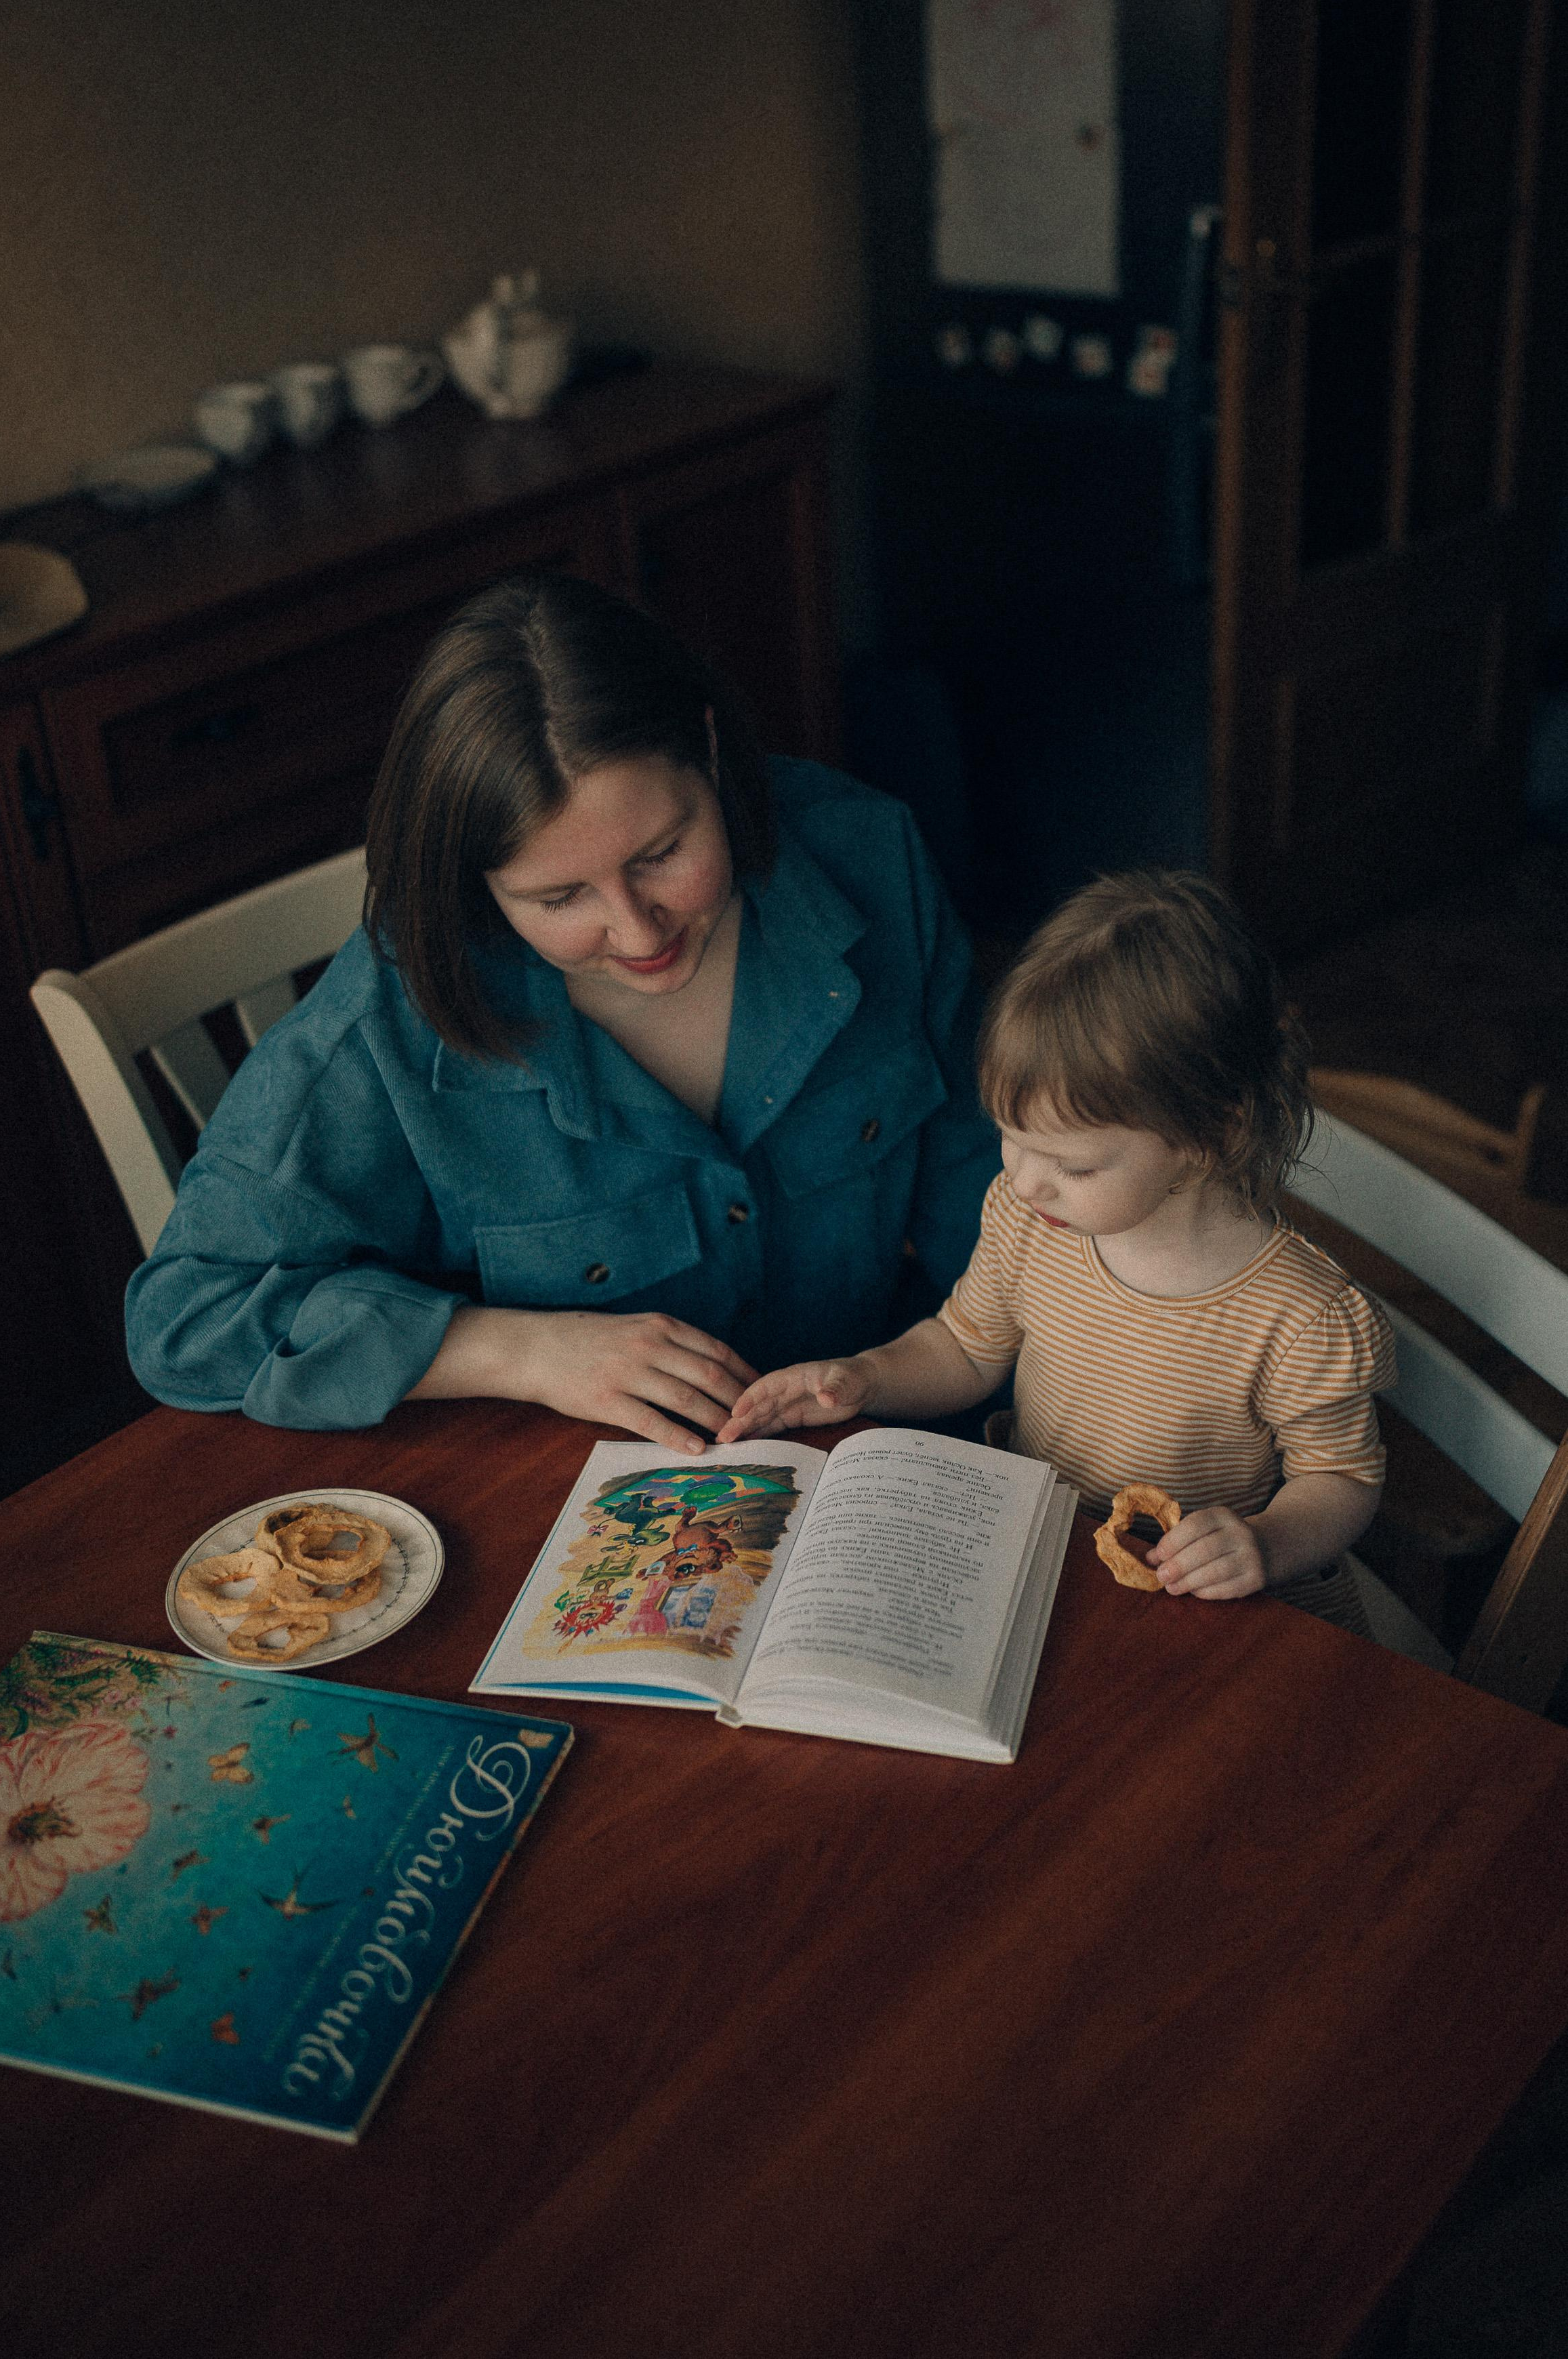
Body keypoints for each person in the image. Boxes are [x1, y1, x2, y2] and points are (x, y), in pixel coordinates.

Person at [125, 573, 997, 1452]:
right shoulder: (393, 1011)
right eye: (558, 897)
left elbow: (996, 1201)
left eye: (662, 853)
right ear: (479, 882)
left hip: (874, 1453)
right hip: (565, 1506)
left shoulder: (871, 860)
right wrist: (515, 1349)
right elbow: (186, 1321)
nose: (634, 929)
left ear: (707, 748)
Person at [720, 869, 1396, 1621]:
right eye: (1009, 1137)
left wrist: (1264, 1542)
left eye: (1072, 1165)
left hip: (1216, 1613)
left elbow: (1340, 1479)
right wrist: (865, 1376)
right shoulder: (1028, 1218)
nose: (1026, 1179)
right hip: (1054, 1565)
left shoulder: (1299, 1315)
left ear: (1210, 1135)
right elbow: (965, 1348)